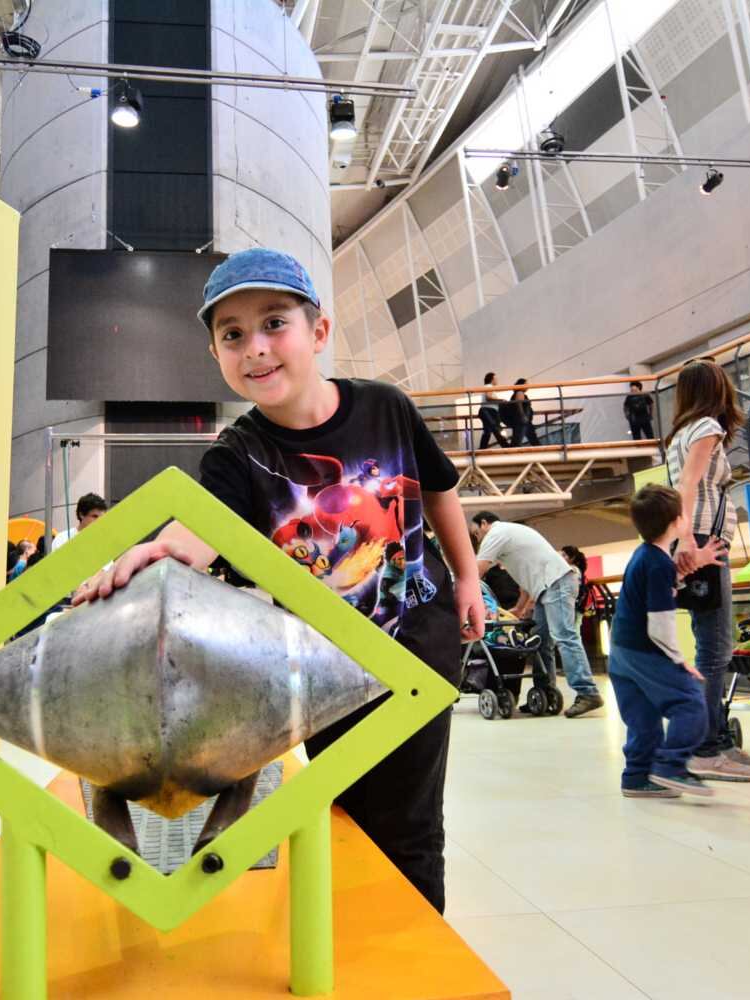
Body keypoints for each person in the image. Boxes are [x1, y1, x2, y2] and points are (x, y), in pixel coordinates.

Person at [73, 247, 485, 913]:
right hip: (330, 674)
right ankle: (358, 943)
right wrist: (155, 552)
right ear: (215, 355)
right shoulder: (239, 455)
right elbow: (203, 529)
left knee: (412, 826)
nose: (255, 348)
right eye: (232, 335)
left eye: (273, 324)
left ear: (318, 332)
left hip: (420, 649)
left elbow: (439, 492)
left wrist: (467, 577)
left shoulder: (385, 406)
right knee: (351, 815)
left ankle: (415, 950)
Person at [665, 361, 750, 780]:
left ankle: (719, 740)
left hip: (696, 538)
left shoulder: (681, 431)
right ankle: (705, 748)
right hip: (706, 541)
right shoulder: (707, 425)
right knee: (715, 649)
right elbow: (688, 484)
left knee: (712, 646)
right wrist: (689, 540)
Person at [609, 484, 722, 798]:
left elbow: (659, 585)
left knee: (643, 717)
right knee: (691, 703)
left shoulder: (645, 556)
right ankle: (670, 767)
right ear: (677, 522)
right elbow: (660, 624)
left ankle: (637, 777)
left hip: (622, 651)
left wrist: (692, 565)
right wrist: (680, 661)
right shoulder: (657, 563)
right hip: (646, 649)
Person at [471, 511, 603, 717]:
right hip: (545, 587)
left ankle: (587, 692)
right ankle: (546, 692)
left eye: (476, 533)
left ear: (485, 523)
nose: (477, 538)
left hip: (556, 583)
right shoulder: (510, 537)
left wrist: (461, 594)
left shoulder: (497, 533)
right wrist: (520, 608)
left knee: (564, 636)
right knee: (539, 642)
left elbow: (476, 570)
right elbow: (526, 582)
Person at [503, 378, 540, 446]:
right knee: (518, 440)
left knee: (531, 438)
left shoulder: (518, 393)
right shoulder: (520, 392)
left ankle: (540, 451)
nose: (528, 386)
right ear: (521, 385)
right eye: (526, 384)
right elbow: (519, 404)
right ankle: (540, 451)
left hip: (523, 421)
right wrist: (523, 416)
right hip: (522, 421)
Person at [475, 372, 508, 449]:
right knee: (496, 428)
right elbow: (488, 398)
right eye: (495, 379)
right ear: (491, 379)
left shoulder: (489, 387)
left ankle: (482, 449)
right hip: (488, 411)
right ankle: (506, 446)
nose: (497, 380)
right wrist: (501, 400)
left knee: (488, 431)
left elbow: (488, 398)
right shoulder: (489, 386)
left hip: (487, 411)